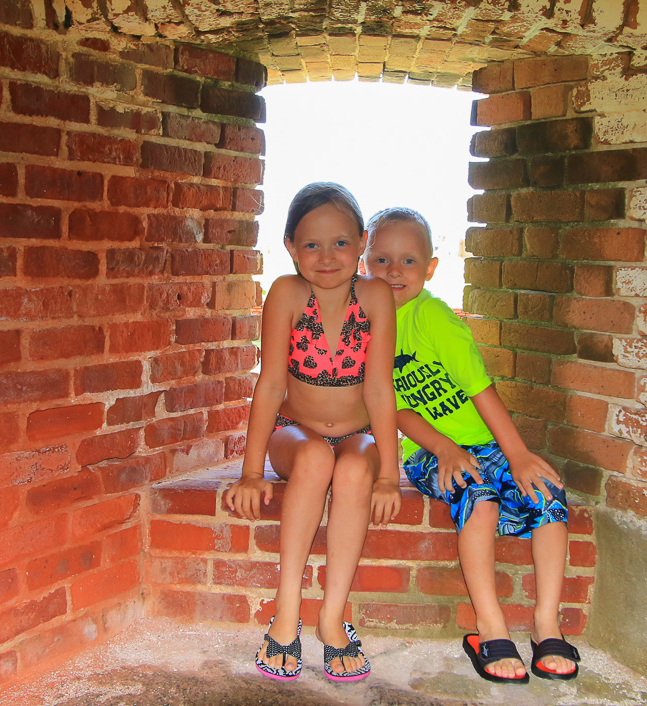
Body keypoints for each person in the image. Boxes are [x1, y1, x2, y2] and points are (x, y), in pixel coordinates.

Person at [361, 207, 580, 684]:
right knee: (478, 498)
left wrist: (518, 455)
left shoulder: (434, 319)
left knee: (547, 493)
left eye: (408, 261)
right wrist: (442, 447)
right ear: (363, 260)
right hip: (425, 451)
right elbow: (393, 409)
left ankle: (546, 624)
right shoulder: (365, 323)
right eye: (380, 259)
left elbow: (482, 391)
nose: (393, 271)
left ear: (431, 268)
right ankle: (490, 626)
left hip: (485, 441)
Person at [225, 183, 401, 683]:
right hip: (294, 431)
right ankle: (286, 616)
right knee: (317, 459)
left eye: (341, 243)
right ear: (289, 246)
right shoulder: (285, 293)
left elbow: (380, 389)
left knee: (348, 469)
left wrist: (388, 474)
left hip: (358, 434)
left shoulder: (374, 296)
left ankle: (332, 618)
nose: (327, 257)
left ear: (362, 242)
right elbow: (272, 383)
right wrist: (251, 471)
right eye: (311, 245)